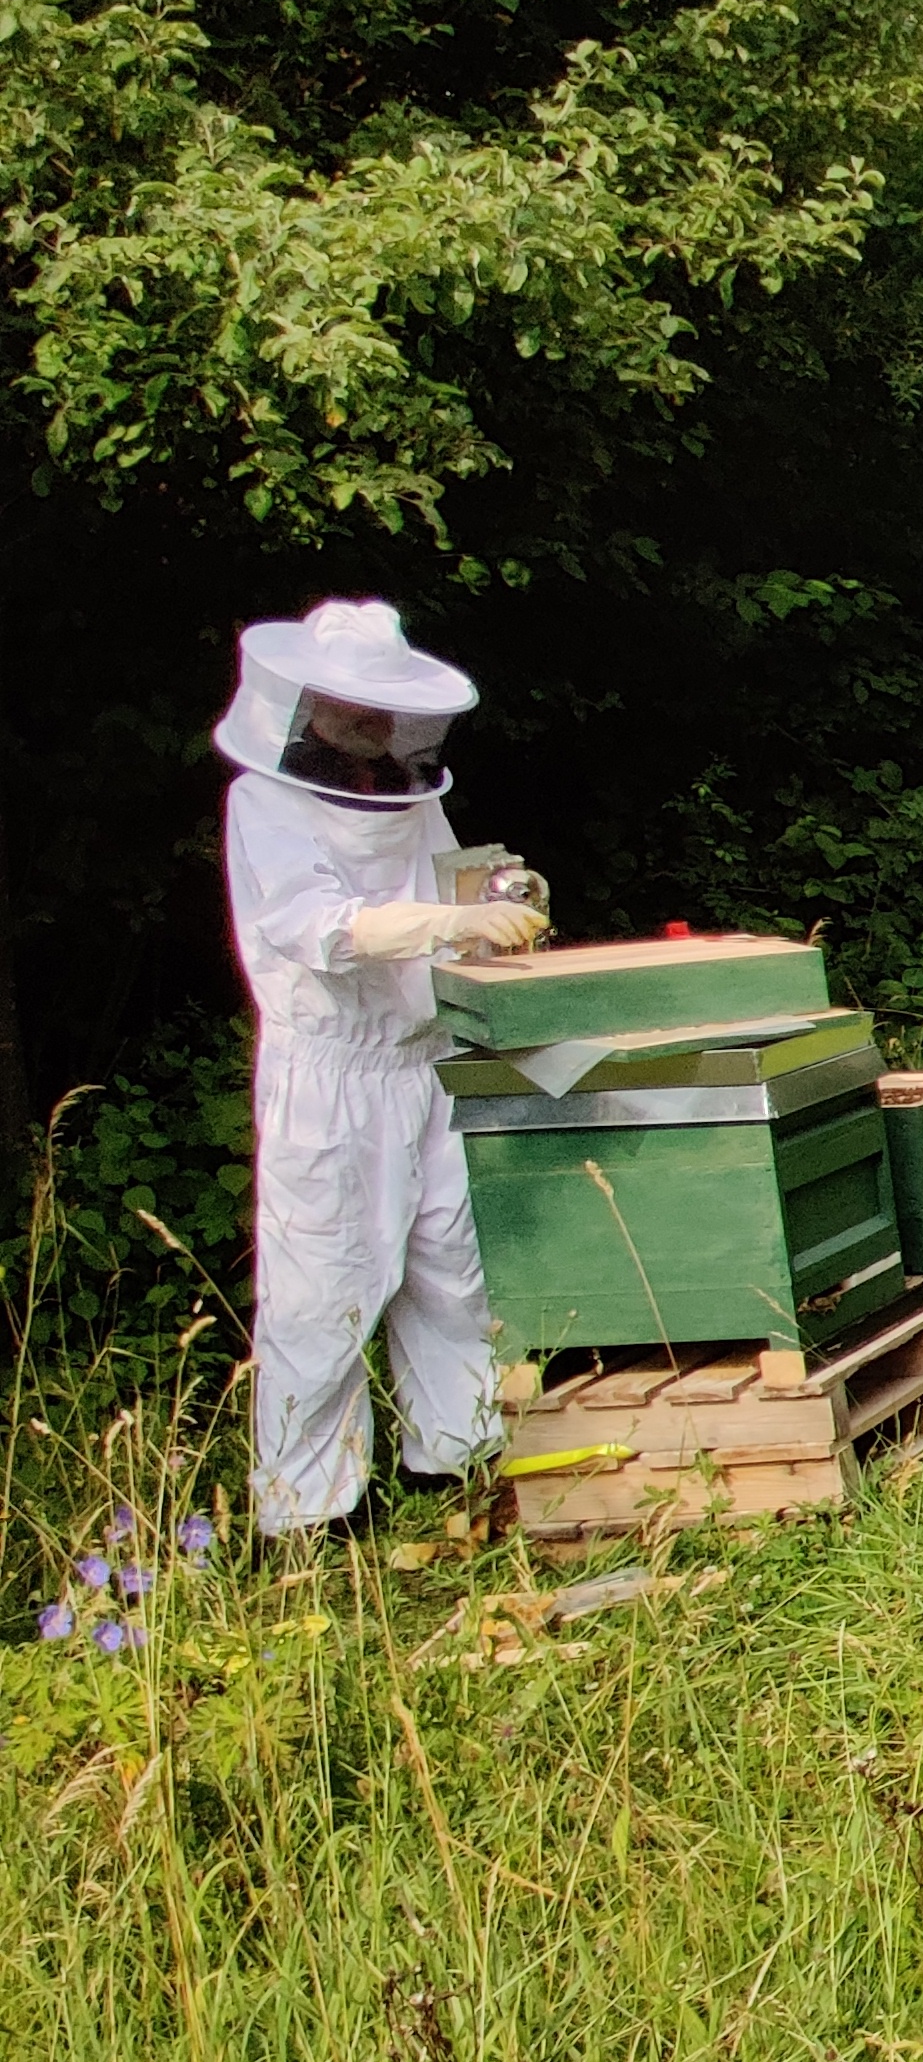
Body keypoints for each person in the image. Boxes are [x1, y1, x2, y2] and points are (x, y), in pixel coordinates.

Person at [215, 601, 550, 1536]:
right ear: (307, 706)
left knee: (455, 1270)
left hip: (423, 1059)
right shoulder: (264, 802)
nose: (371, 724)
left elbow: (443, 894)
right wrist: (451, 922)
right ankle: (309, 1517)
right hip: (329, 1076)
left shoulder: (412, 792)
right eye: (351, 706)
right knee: (324, 1288)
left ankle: (462, 1458)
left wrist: (485, 900)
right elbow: (321, 929)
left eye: (382, 708)